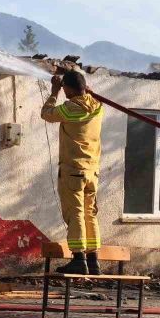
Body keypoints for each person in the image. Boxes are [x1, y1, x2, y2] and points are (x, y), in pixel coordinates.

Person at [41, 70, 104, 274]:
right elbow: (90, 97)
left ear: (67, 88)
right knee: (89, 214)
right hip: (92, 171)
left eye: (64, 88)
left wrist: (53, 91)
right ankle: (93, 261)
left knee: (75, 213)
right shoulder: (98, 106)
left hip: (73, 170)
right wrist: (87, 91)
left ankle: (78, 259)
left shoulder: (71, 107)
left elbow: (47, 114)